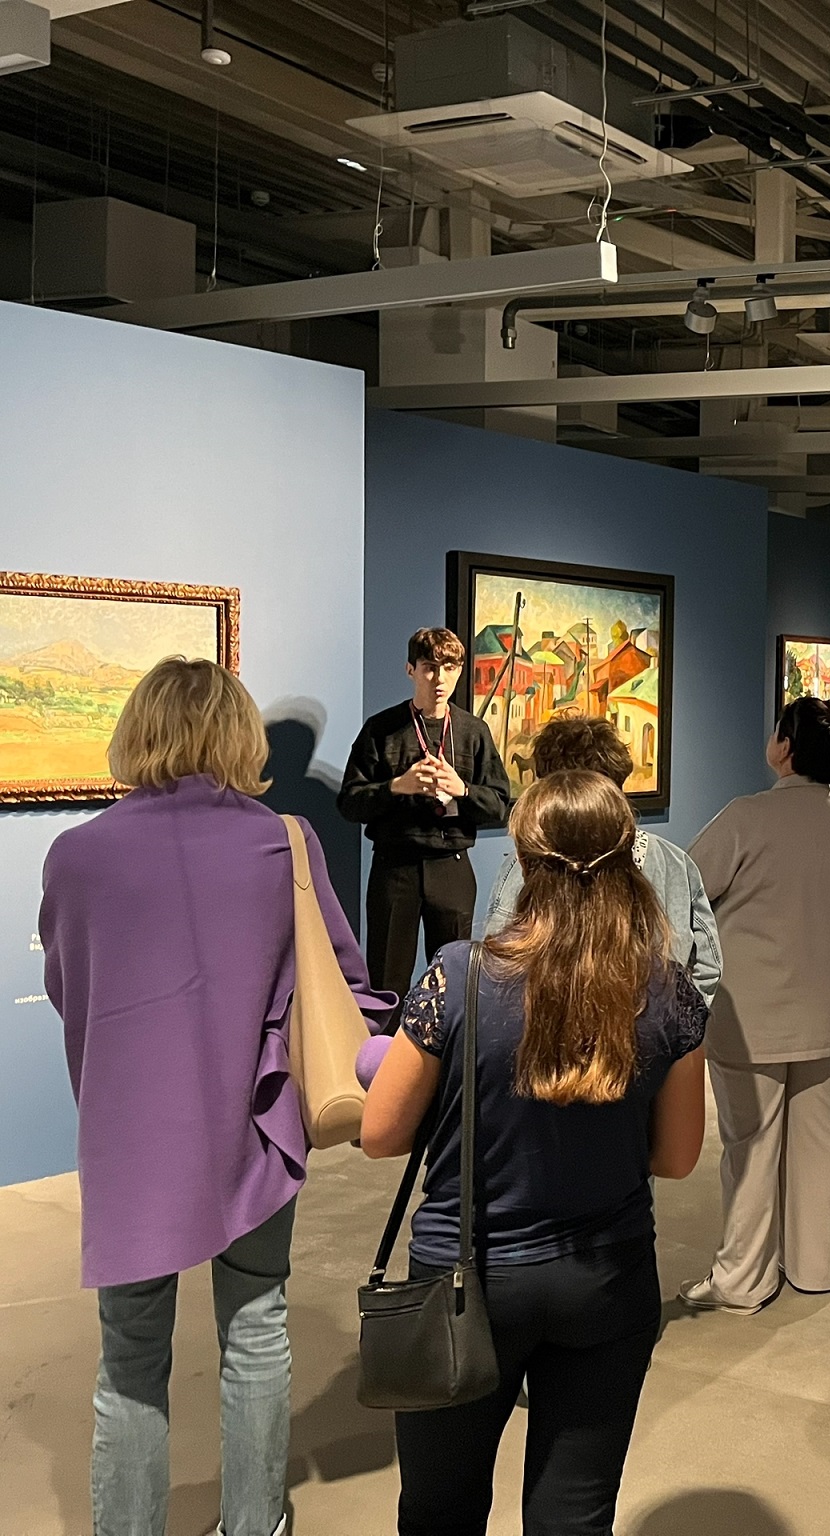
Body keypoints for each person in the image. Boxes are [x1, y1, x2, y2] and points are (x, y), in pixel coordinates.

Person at [39, 658, 394, 1536]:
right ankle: (255, 1525)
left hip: (130, 1140)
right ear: (238, 737)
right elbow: (347, 984)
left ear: (137, 732)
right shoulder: (285, 844)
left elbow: (68, 988)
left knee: (130, 1357)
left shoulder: (77, 856)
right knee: (258, 1329)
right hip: (253, 1126)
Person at [360, 770, 709, 1533]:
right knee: (573, 1514)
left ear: (522, 858)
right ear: (629, 858)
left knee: (441, 1511)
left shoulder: (460, 976)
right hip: (608, 1277)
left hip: (468, 1278)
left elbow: (380, 1134)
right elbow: (678, 1156)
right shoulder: (669, 991)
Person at [682, 698, 830, 1314]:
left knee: (751, 1142)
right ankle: (818, 1266)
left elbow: (689, 884)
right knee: (824, 1137)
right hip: (829, 1006)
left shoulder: (746, 816)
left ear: (785, 747)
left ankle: (743, 1280)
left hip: (753, 1013)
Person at [482, 713, 722, 1004]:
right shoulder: (674, 861)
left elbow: (497, 960)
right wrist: (675, 1020)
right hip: (648, 1027)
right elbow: (707, 965)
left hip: (548, 1025)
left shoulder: (527, 861)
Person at [340, 626, 512, 995]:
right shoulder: (381, 729)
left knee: (453, 983)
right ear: (411, 670)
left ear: (460, 671)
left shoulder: (473, 732)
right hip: (395, 866)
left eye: (449, 668)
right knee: (387, 980)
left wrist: (462, 790)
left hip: (451, 865)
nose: (439, 679)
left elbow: (500, 804)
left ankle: (447, 1038)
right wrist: (396, 786)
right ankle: (385, 1037)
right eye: (430, 668)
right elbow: (350, 803)